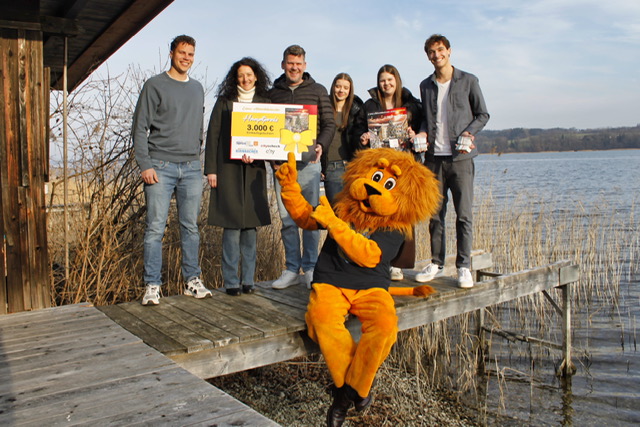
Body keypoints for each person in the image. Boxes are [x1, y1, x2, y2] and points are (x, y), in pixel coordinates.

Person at [132, 35, 212, 305]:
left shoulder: (198, 88)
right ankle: (152, 285)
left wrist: (196, 153)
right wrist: (145, 164)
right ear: (171, 53)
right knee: (155, 229)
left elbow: (198, 125)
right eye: (182, 52)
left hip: (190, 167)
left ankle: (192, 280)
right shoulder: (154, 85)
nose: (186, 58)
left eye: (190, 53)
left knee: (190, 227)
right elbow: (139, 128)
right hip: (160, 167)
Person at [413, 34, 490, 288]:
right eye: (432, 52)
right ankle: (436, 262)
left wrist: (469, 132)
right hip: (433, 160)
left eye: (440, 50)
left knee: (464, 215)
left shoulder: (468, 80)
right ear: (428, 56)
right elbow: (426, 118)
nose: (437, 55)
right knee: (435, 215)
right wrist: (422, 131)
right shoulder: (425, 85)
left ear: (449, 51)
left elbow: (482, 114)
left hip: (461, 159)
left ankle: (464, 266)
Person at [269, 45, 336, 290]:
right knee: (287, 220)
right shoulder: (273, 93)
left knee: (309, 219)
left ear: (304, 65)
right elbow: (266, 131)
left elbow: (329, 124)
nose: (294, 67)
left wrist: (321, 145)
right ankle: (290, 269)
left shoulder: (317, 90)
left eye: (298, 63)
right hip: (283, 168)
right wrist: (270, 158)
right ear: (283, 64)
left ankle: (309, 267)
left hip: (309, 165)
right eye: (290, 63)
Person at [204, 58, 272, 296]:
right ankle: (231, 282)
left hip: (254, 172)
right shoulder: (224, 102)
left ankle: (248, 281)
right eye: (241, 75)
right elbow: (213, 134)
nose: (245, 79)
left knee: (250, 230)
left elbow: (271, 139)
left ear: (256, 76)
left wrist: (258, 153)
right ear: (235, 79)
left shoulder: (265, 103)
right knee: (231, 228)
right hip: (227, 168)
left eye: (249, 74)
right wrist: (210, 170)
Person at [361, 64, 423, 282]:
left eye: (389, 80)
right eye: (382, 80)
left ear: (396, 80)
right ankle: (382, 260)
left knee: (403, 215)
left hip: (404, 166)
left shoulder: (411, 104)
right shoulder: (370, 104)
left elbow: (423, 127)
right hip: (380, 166)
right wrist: (364, 137)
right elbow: (360, 130)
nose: (386, 84)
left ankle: (399, 264)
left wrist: (415, 133)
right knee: (380, 213)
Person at [322, 73, 367, 205]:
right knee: (336, 212)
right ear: (333, 87)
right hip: (331, 166)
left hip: (351, 165)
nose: (341, 91)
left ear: (350, 90)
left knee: (353, 211)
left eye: (345, 88)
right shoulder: (324, 108)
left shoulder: (357, 109)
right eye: (338, 86)